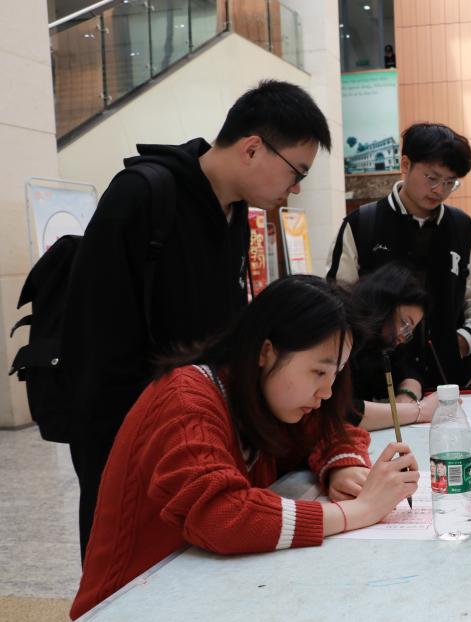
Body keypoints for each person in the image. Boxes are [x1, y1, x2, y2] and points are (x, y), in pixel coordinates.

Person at [62, 80, 332, 558]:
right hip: (128, 432)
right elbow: (94, 336)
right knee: (128, 562)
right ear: (253, 148)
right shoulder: (143, 195)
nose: (295, 189)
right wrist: (129, 438)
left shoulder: (234, 213)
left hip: (194, 430)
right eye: (296, 172)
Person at [71, 275, 420, 619]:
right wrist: (359, 511)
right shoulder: (186, 400)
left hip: (201, 597)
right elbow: (222, 515)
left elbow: (330, 430)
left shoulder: (266, 396)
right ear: (266, 351)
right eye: (318, 372)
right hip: (125, 613)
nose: (327, 392)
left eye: (335, 375)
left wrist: (345, 466)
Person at [327, 122, 471, 391]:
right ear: (405, 164)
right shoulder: (362, 224)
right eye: (432, 178)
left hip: (450, 381)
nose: (440, 190)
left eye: (450, 182)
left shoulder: (462, 227)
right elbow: (339, 299)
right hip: (378, 384)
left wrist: (465, 340)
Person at [347, 263, 440, 429]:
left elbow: (410, 370)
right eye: (405, 324)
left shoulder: (383, 343)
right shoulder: (346, 335)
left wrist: (407, 394)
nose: (403, 337)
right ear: (384, 304)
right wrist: (420, 411)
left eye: (410, 331)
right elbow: (345, 411)